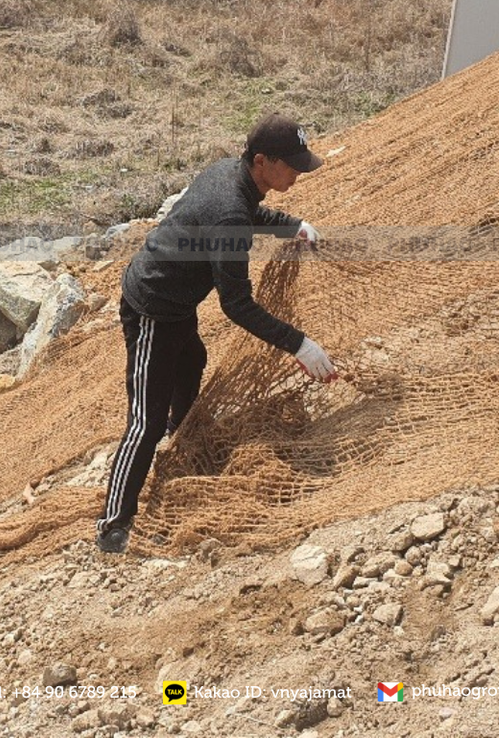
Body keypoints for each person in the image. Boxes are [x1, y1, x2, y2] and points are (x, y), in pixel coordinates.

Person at [96, 113, 337, 554]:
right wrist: (299, 345)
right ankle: (113, 524)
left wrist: (290, 225)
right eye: (292, 165)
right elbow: (237, 305)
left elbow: (246, 213)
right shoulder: (229, 211)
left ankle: (183, 436)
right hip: (152, 307)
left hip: (177, 301)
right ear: (262, 161)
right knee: (145, 421)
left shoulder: (232, 174)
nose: (298, 174)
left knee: (192, 361)